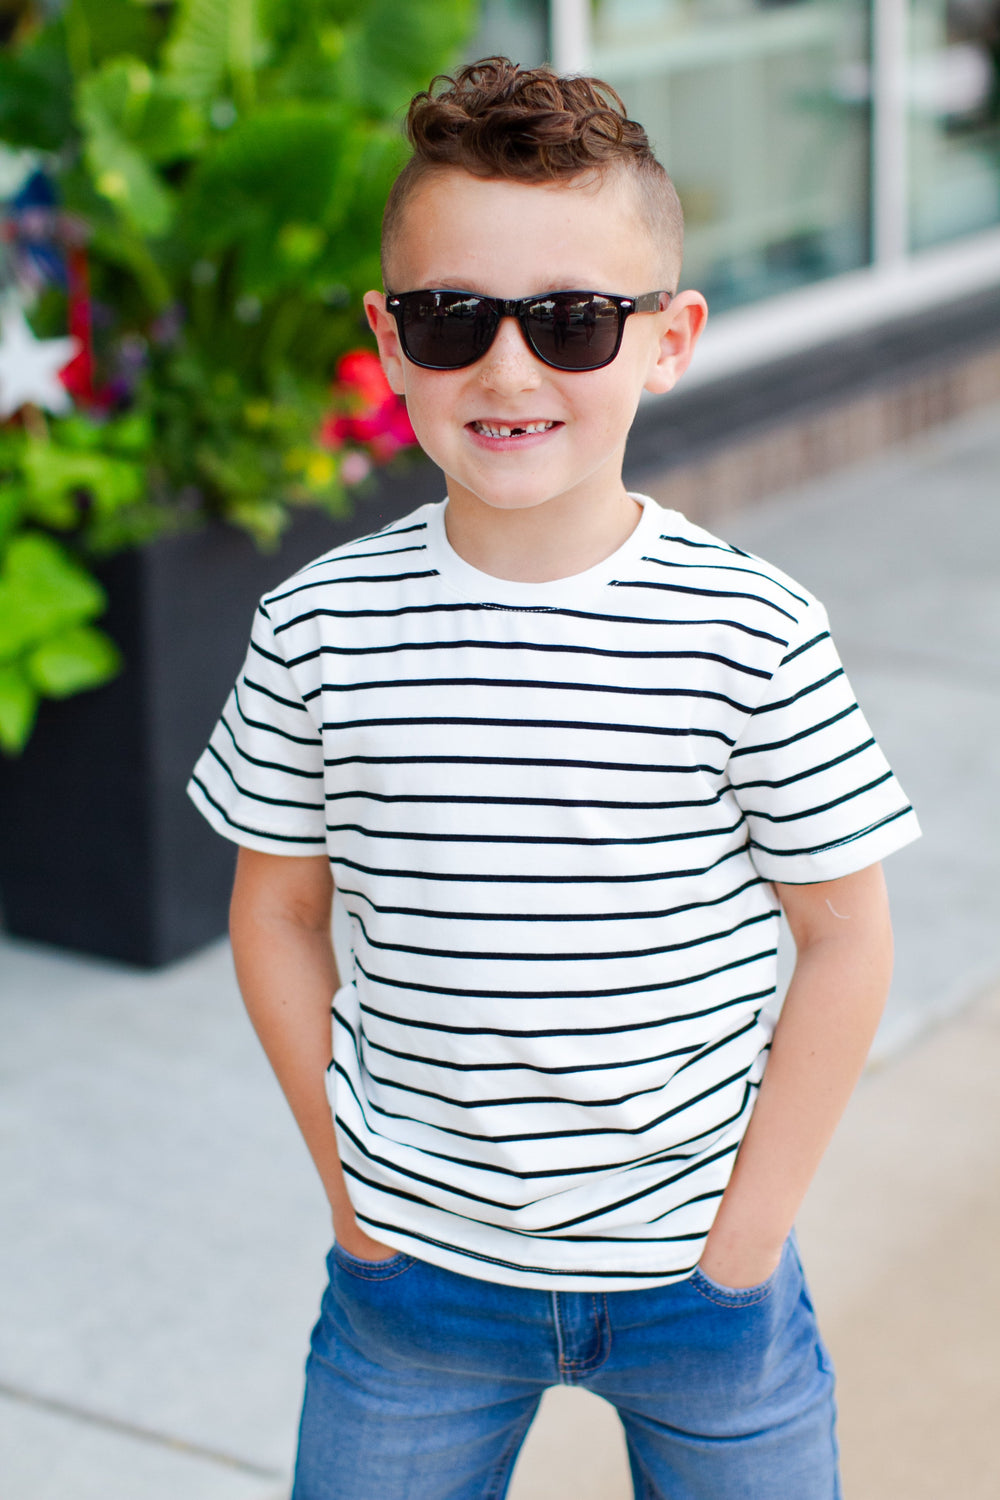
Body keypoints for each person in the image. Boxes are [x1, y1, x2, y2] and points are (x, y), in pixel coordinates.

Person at [188, 57, 920, 1500]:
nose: (510, 370)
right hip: (417, 1289)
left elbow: (846, 937)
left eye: (575, 320)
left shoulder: (750, 631)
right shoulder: (319, 628)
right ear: (389, 341)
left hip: (702, 1291)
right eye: (454, 318)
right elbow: (274, 915)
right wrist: (353, 1198)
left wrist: (746, 1241)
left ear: (668, 339)